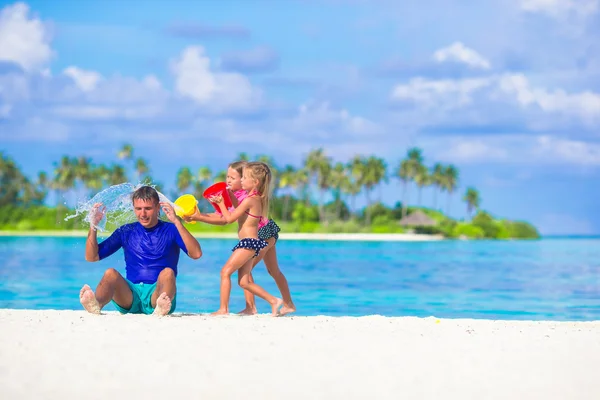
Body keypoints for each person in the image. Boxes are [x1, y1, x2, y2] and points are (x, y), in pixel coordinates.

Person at [79, 185, 202, 316]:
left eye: (148, 208)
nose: (142, 214)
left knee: (168, 273)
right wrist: (93, 225)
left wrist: (177, 222)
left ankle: (159, 309)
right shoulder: (126, 231)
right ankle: (95, 304)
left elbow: (196, 254)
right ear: (134, 208)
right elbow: (92, 257)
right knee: (110, 274)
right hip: (131, 296)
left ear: (158, 208)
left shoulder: (171, 229)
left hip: (159, 295)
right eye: (138, 209)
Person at [208, 161, 283, 316]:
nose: (241, 180)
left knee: (225, 272)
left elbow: (229, 218)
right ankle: (273, 301)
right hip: (251, 243)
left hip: (248, 243)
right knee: (244, 282)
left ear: (255, 182)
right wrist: (228, 195)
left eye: (244, 178)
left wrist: (222, 204)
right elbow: (239, 210)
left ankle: (223, 309)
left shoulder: (250, 200)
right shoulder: (254, 198)